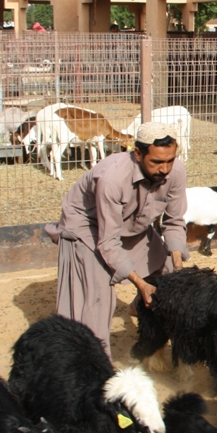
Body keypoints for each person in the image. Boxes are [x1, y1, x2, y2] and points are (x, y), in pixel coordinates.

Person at [44, 122, 188, 356]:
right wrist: (141, 284)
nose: (165, 169)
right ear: (138, 153)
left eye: (170, 160)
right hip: (88, 227)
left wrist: (179, 268)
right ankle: (95, 365)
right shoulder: (112, 179)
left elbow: (174, 222)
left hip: (131, 223)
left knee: (170, 270)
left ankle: (138, 307)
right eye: (157, 162)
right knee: (99, 300)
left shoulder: (176, 171)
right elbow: (108, 242)